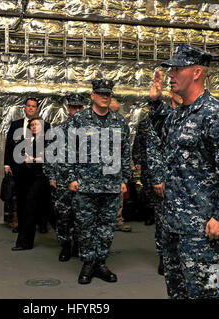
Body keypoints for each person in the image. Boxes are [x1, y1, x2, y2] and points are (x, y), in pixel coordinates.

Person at [149, 44, 219, 299]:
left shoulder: (216, 115)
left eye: (177, 69)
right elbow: (164, 132)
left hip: (203, 231)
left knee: (207, 294)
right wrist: (155, 102)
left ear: (196, 72)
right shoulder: (179, 114)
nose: (171, 75)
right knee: (178, 292)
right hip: (174, 225)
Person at [66, 79, 131, 284]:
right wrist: (71, 178)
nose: (105, 96)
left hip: (111, 185)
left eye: (108, 94)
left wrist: (124, 178)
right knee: (85, 226)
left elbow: (125, 152)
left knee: (106, 226)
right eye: (101, 93)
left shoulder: (119, 121)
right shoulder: (79, 120)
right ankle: (87, 263)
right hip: (85, 184)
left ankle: (101, 263)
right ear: (92, 95)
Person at [133, 70, 182, 275]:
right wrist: (158, 179)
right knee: (164, 221)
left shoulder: (193, 114)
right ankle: (164, 257)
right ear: (171, 94)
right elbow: (152, 150)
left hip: (187, 183)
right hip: (166, 180)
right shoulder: (161, 117)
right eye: (177, 92)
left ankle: (181, 257)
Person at [4, 98, 51, 250]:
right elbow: (10, 146)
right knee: (26, 202)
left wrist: (37, 159)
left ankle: (67, 240)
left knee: (44, 205)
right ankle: (24, 237)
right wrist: (8, 164)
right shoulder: (19, 128)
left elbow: (52, 155)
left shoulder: (48, 132)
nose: (31, 108)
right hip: (23, 172)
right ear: (25, 108)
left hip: (41, 175)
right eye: (28, 106)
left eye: (33, 106)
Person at [44, 93, 84, 261]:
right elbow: (48, 156)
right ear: (68, 109)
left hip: (84, 181)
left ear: (83, 108)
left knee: (82, 215)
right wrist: (51, 176)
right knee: (64, 215)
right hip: (63, 181)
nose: (75, 110)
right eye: (72, 107)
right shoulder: (58, 130)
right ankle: (66, 246)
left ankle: (79, 246)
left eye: (78, 107)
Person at [109, 98, 131, 232]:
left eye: (117, 111)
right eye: (113, 111)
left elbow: (125, 148)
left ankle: (118, 221)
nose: (115, 114)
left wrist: (126, 172)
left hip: (116, 165)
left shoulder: (121, 124)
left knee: (119, 196)